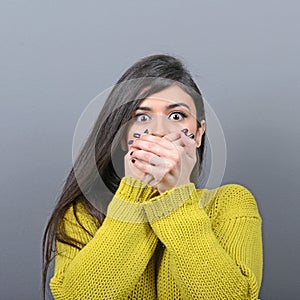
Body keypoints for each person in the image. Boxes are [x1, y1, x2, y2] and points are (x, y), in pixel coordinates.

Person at [42, 54, 263, 299]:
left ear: (198, 134)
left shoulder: (231, 204)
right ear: (124, 136)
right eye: (142, 117)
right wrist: (135, 191)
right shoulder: (83, 215)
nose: (158, 131)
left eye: (176, 116)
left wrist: (175, 199)